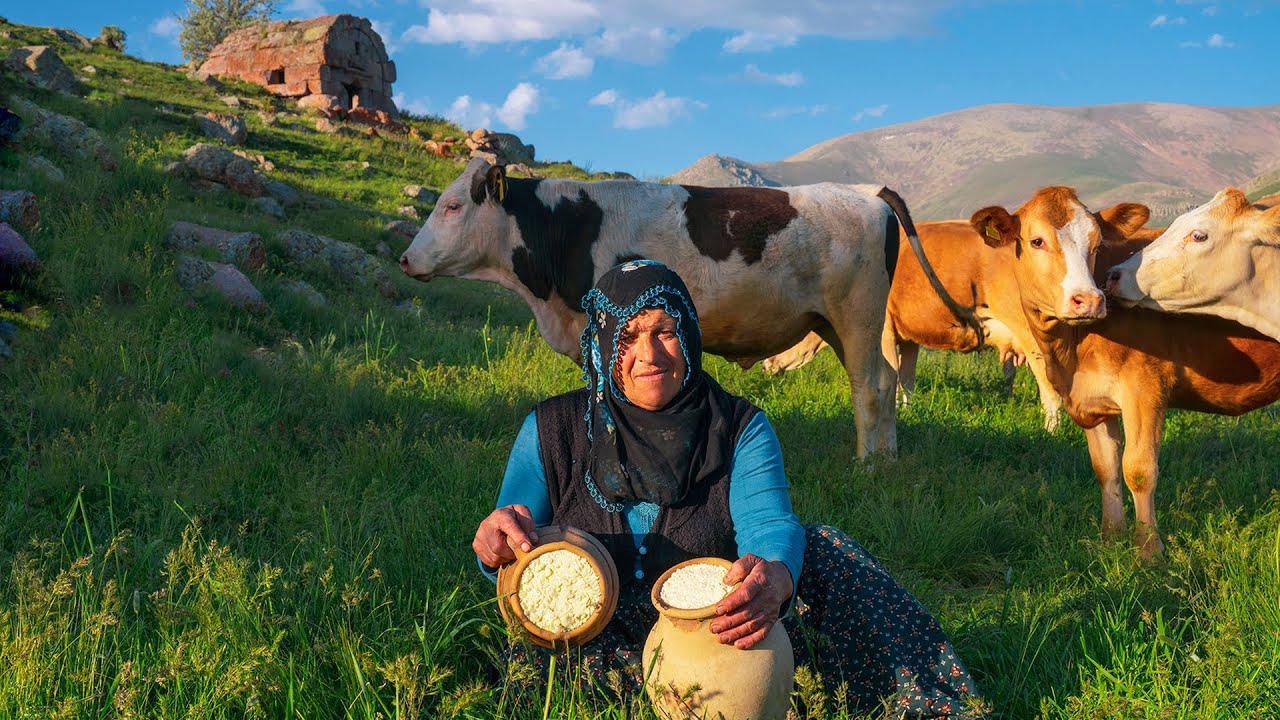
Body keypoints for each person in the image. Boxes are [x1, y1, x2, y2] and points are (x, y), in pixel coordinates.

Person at [474, 260, 985, 718]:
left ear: (690, 334)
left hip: (717, 633)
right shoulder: (553, 428)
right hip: (593, 643)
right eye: (627, 336)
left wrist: (772, 580)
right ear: (602, 344)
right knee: (541, 672)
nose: (649, 353)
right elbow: (512, 547)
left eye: (666, 331)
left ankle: (930, 703)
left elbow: (769, 524)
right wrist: (495, 547)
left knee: (826, 549)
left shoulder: (738, 427)